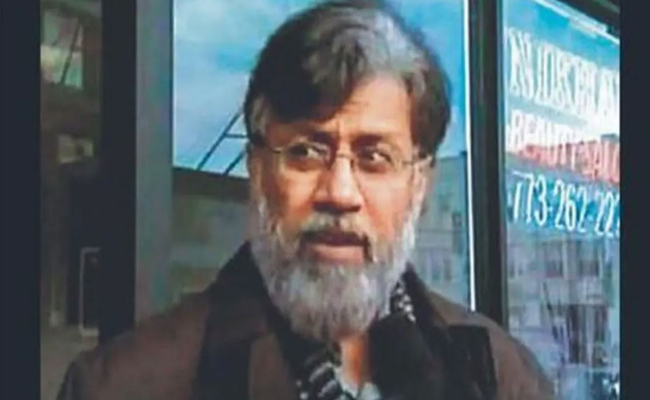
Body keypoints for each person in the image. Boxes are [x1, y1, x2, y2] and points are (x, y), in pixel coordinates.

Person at [57, 1, 554, 399]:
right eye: (306, 152)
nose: (339, 192)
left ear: (419, 184)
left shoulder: (500, 378)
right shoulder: (123, 387)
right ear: (257, 168)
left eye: (374, 157)